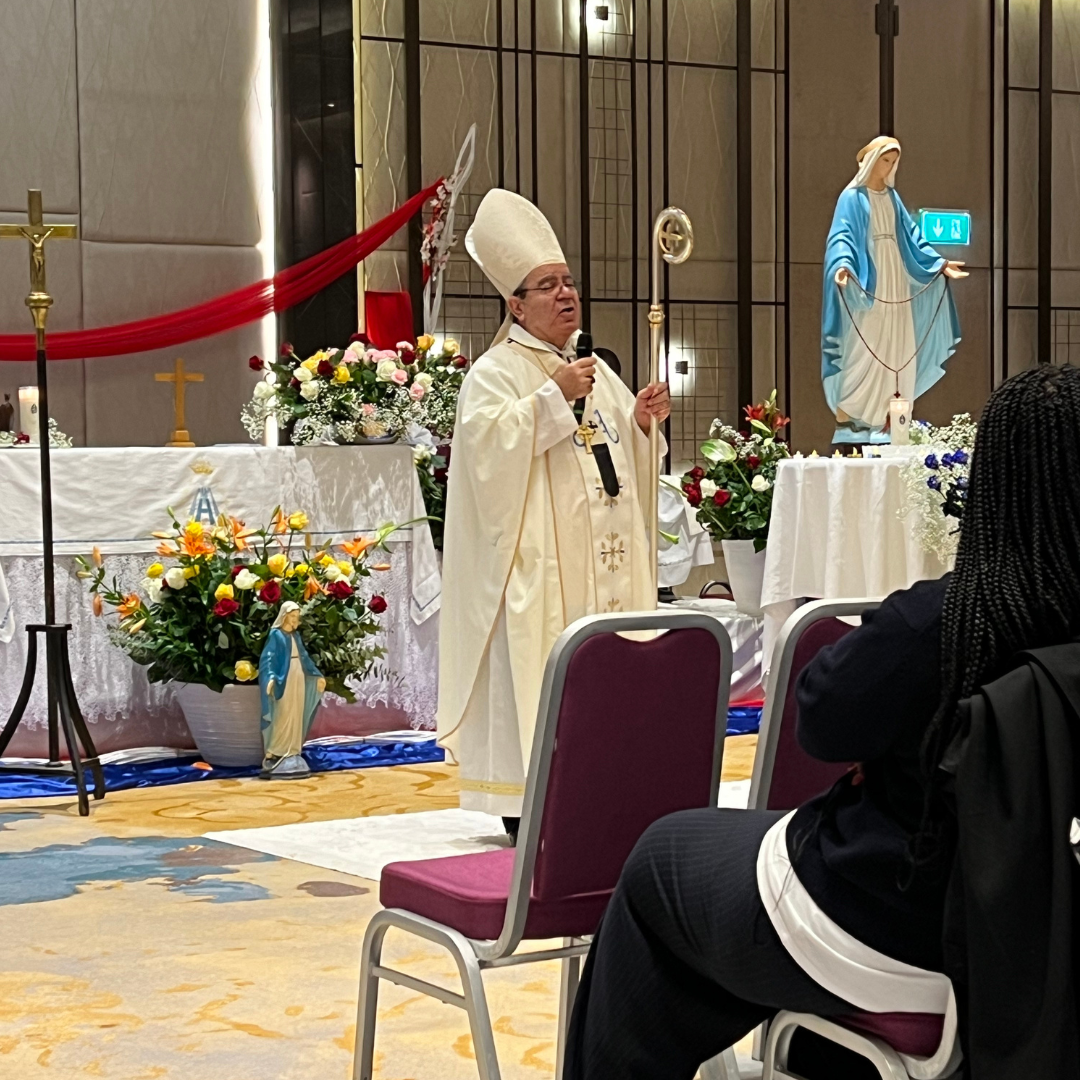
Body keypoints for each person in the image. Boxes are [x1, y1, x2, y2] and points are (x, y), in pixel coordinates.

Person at [564, 363, 1080, 1079]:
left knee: (664, 858)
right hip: (1043, 944)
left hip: (895, 926)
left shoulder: (945, 622)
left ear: (992, 484)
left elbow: (821, 722)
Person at [437, 188, 670, 844]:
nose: (567, 295)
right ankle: (531, 800)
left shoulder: (588, 369)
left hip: (606, 569)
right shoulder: (495, 373)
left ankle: (609, 789)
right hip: (541, 570)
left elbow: (626, 459)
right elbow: (484, 458)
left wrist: (645, 425)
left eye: (569, 283)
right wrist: (548, 401)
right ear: (516, 304)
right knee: (541, 671)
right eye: (548, 286)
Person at [822, 136, 966, 445]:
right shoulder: (852, 198)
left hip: (896, 275)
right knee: (866, 344)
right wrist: (843, 266)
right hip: (869, 278)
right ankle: (851, 416)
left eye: (893, 161)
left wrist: (939, 264)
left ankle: (889, 421)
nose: (888, 166)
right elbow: (841, 236)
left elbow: (913, 236)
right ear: (871, 160)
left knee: (897, 342)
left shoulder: (892, 197)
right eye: (884, 159)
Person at [258, 601, 326, 779]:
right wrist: (270, 677)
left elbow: (304, 657)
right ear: (285, 616)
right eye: (293, 616)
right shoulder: (276, 635)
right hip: (284, 680)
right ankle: (276, 750)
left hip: (298, 677)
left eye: (297, 617)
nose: (296, 620)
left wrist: (317, 676)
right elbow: (268, 658)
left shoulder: (295, 637)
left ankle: (293, 750)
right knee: (283, 713)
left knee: (296, 713)